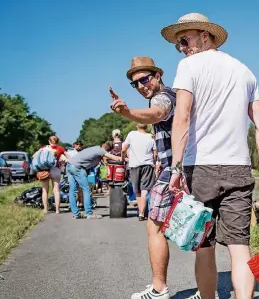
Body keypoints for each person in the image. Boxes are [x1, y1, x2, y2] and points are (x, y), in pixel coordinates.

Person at [164, 13, 259, 299]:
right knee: (240, 248)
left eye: (184, 40)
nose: (182, 47)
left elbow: (182, 117)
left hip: (199, 168)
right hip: (239, 168)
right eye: (178, 44)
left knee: (204, 245)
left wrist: (175, 168)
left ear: (204, 35)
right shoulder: (245, 71)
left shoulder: (188, 66)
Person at [109, 57, 178, 299]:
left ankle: (160, 289)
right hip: (174, 169)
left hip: (175, 171)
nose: (141, 86)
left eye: (145, 79)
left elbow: (156, 113)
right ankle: (207, 286)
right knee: (198, 229)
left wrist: (127, 113)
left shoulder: (164, 97)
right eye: (135, 83)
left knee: (156, 226)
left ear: (158, 75)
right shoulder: (172, 94)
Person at [67, 141, 122, 219]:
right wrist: (123, 158)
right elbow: (115, 158)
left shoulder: (95, 148)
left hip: (70, 165)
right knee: (86, 189)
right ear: (108, 149)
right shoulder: (101, 151)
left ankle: (76, 214)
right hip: (77, 167)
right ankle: (89, 213)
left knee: (72, 191)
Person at [122, 123, 157, 221]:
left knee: (137, 190)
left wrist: (123, 157)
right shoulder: (150, 136)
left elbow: (124, 148)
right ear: (146, 127)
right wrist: (154, 162)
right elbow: (155, 153)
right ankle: (142, 213)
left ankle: (140, 212)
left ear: (137, 126)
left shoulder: (132, 134)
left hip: (134, 165)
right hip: (147, 165)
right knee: (145, 190)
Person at [36, 135, 72, 214]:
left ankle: (45, 209)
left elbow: (35, 156)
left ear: (49, 141)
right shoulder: (60, 148)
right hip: (55, 169)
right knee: (56, 190)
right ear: (57, 141)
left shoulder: (44, 147)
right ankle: (57, 210)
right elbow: (69, 157)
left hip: (45, 170)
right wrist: (67, 161)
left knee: (45, 190)